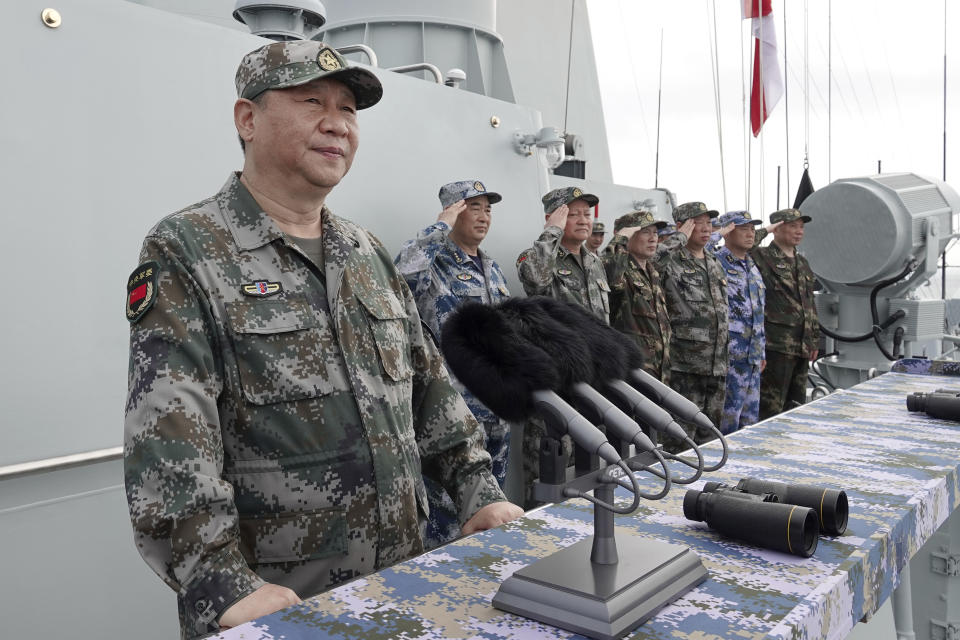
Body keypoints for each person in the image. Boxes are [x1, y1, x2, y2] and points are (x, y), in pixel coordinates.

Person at [123, 41, 521, 639]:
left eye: (349, 109)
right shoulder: (188, 248)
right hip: (281, 604)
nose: (337, 122)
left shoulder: (366, 252)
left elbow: (429, 387)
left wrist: (478, 492)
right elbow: (170, 435)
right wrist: (221, 584)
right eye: (312, 101)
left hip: (402, 586)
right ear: (247, 119)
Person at [394, 180, 512, 549]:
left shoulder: (492, 269)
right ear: (453, 212)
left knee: (493, 509)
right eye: (473, 207)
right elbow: (401, 277)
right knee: (446, 515)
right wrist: (439, 226)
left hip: (496, 408)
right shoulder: (434, 263)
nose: (483, 216)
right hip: (452, 415)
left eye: (487, 209)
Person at [655, 201, 729, 449]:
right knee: (680, 438)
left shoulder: (714, 262)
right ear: (682, 226)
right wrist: (677, 238)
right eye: (698, 223)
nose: (706, 228)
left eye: (709, 223)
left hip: (717, 364)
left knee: (710, 436)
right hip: (685, 365)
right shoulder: (671, 259)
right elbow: (651, 262)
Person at [751, 208, 820, 419]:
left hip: (802, 345)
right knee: (771, 408)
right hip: (776, 346)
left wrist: (814, 339)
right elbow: (745, 244)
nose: (799, 231)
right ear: (777, 229)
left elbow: (809, 303)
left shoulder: (802, 263)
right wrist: (767, 229)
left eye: (801, 227)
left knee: (797, 406)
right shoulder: (763, 256)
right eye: (792, 226)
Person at [516, 186, 610, 323]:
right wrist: (552, 229)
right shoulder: (534, 258)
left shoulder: (595, 262)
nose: (583, 221)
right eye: (573, 215)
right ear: (551, 219)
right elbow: (536, 281)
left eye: (587, 214)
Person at [712, 211, 766, 433]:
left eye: (752, 229)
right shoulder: (716, 261)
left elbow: (758, 311)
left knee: (749, 423)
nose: (750, 234)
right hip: (730, 356)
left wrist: (762, 352)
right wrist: (717, 234)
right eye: (743, 229)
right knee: (727, 423)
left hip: (752, 357)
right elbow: (692, 252)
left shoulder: (752, 266)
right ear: (728, 232)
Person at [603, 209, 671, 384]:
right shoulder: (620, 270)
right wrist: (620, 238)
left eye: (655, 233)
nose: (653, 238)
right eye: (644, 232)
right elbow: (609, 269)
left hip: (660, 370)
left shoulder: (652, 272)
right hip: (633, 373)